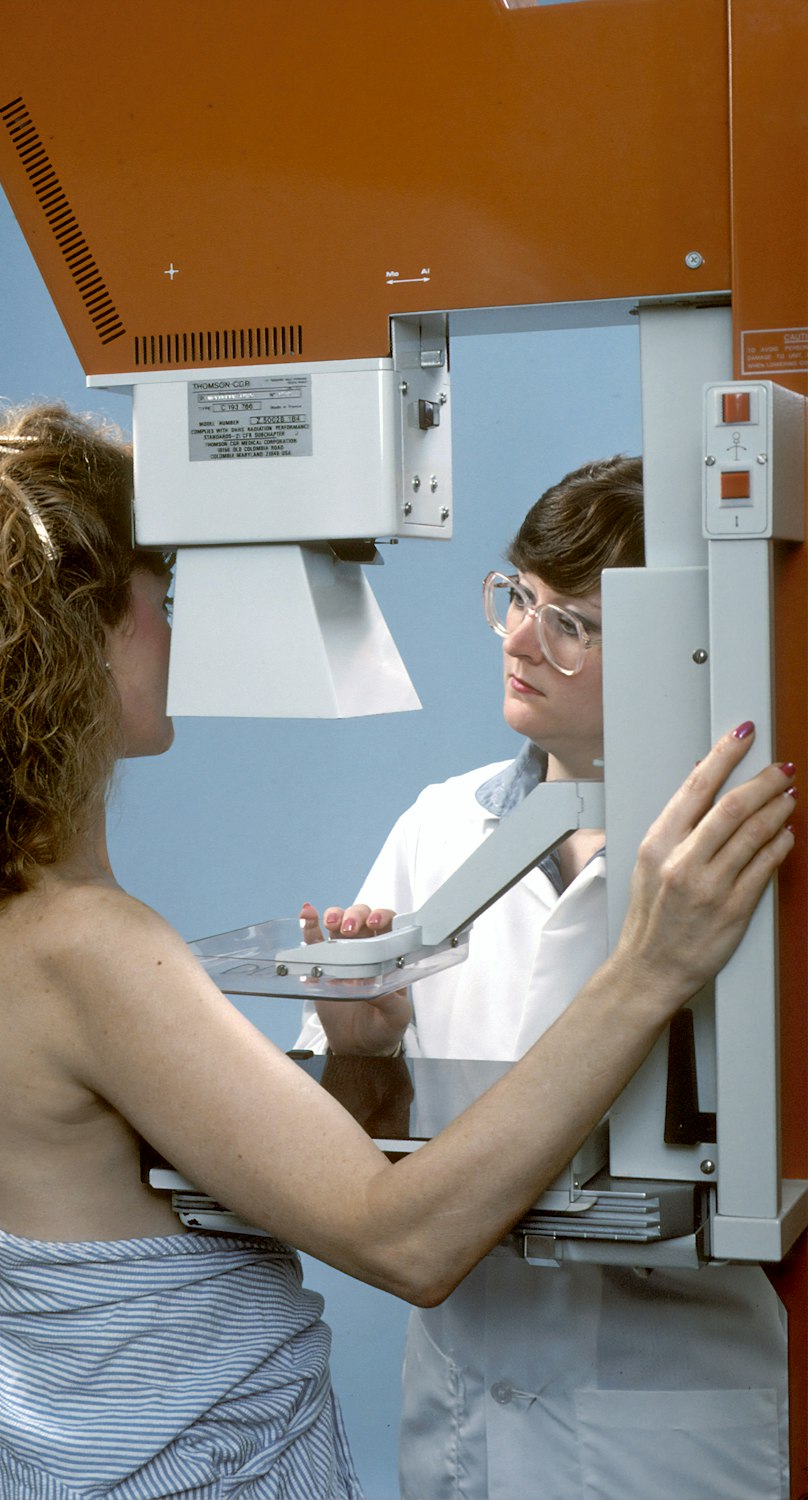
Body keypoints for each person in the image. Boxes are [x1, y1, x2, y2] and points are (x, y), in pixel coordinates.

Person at [0, 415, 793, 1500]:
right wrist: (647, 969)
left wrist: (368, 1055)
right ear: (79, 638)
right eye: (164, 598)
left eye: (574, 622)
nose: (180, 632)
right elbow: (403, 1236)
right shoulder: (87, 949)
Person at [297, 455, 793, 1500]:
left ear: (678, 646)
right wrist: (367, 1048)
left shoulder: (739, 855)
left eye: (571, 622)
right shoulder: (441, 827)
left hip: (665, 1430)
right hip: (462, 1414)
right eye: (517, 597)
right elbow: (348, 1155)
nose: (518, 641)